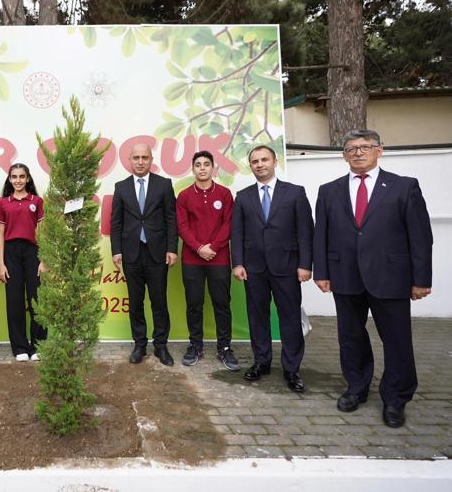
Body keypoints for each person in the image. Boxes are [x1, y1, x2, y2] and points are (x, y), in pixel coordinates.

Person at [313, 130, 432, 428]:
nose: (358, 152)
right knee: (350, 338)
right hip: (345, 276)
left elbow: (420, 237)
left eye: (365, 147)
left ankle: (396, 398)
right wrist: (322, 272)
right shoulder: (329, 190)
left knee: (397, 340)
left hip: (391, 277)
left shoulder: (404, 187)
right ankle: (356, 388)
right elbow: (321, 235)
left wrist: (421, 279)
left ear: (380, 150)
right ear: (344, 155)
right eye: (351, 148)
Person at [231, 145, 313, 393]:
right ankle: (261, 362)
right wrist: (238, 262)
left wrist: (305, 265)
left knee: (289, 318)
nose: (260, 164)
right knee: (257, 318)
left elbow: (306, 231)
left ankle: (291, 368)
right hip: (253, 268)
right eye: (254, 161)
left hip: (287, 267)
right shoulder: (243, 196)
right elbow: (237, 232)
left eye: (264, 159)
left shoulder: (295, 193)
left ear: (275, 162)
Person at [111, 143, 178, 366]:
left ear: (151, 160)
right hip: (131, 254)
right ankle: (139, 345)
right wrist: (116, 251)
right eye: (136, 158)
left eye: (145, 157)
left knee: (159, 302)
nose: (141, 162)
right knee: (136, 302)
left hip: (157, 253)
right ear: (130, 160)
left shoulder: (164, 185)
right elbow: (116, 222)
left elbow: (171, 219)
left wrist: (171, 248)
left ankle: (161, 346)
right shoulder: (121, 187)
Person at [176, 150, 239, 370]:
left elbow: (228, 224)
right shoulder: (184, 196)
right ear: (192, 169)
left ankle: (224, 348)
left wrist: (212, 247)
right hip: (192, 260)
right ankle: (195, 345)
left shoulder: (224, 194)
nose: (202, 168)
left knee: (222, 304)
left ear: (214, 169)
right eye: (198, 165)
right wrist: (198, 248)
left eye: (206, 164)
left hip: (219, 258)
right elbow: (181, 226)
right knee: (194, 304)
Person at [0, 163, 47, 361]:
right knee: (14, 301)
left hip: (32, 252)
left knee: (37, 300)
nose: (18, 180)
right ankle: (20, 348)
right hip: (11, 253)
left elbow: (42, 233)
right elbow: (0, 235)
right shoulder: (3, 203)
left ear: (28, 179)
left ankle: (38, 346)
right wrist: (1, 263)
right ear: (9, 179)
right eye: (14, 177)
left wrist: (43, 259)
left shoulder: (37, 201)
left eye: (22, 176)